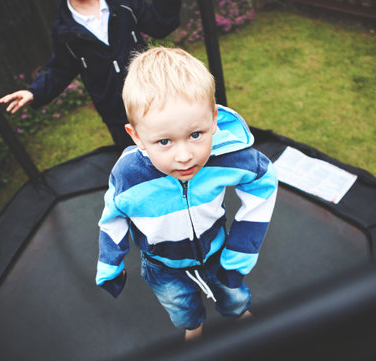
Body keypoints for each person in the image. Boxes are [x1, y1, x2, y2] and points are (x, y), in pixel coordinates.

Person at [96, 47, 278, 341]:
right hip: (162, 265)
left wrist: (242, 247)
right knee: (180, 306)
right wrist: (110, 265)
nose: (184, 156)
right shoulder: (128, 176)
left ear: (213, 119)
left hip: (218, 250)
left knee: (232, 293)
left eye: (196, 135)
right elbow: (112, 217)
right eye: (164, 141)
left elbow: (264, 179)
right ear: (137, 136)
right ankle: (193, 327)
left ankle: (239, 312)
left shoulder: (227, 158)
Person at [0, 0, 182, 149]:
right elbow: (60, 69)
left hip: (153, 98)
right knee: (140, 164)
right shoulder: (64, 30)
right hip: (116, 114)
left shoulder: (123, 5)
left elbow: (160, 25)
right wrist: (34, 92)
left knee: (171, 146)